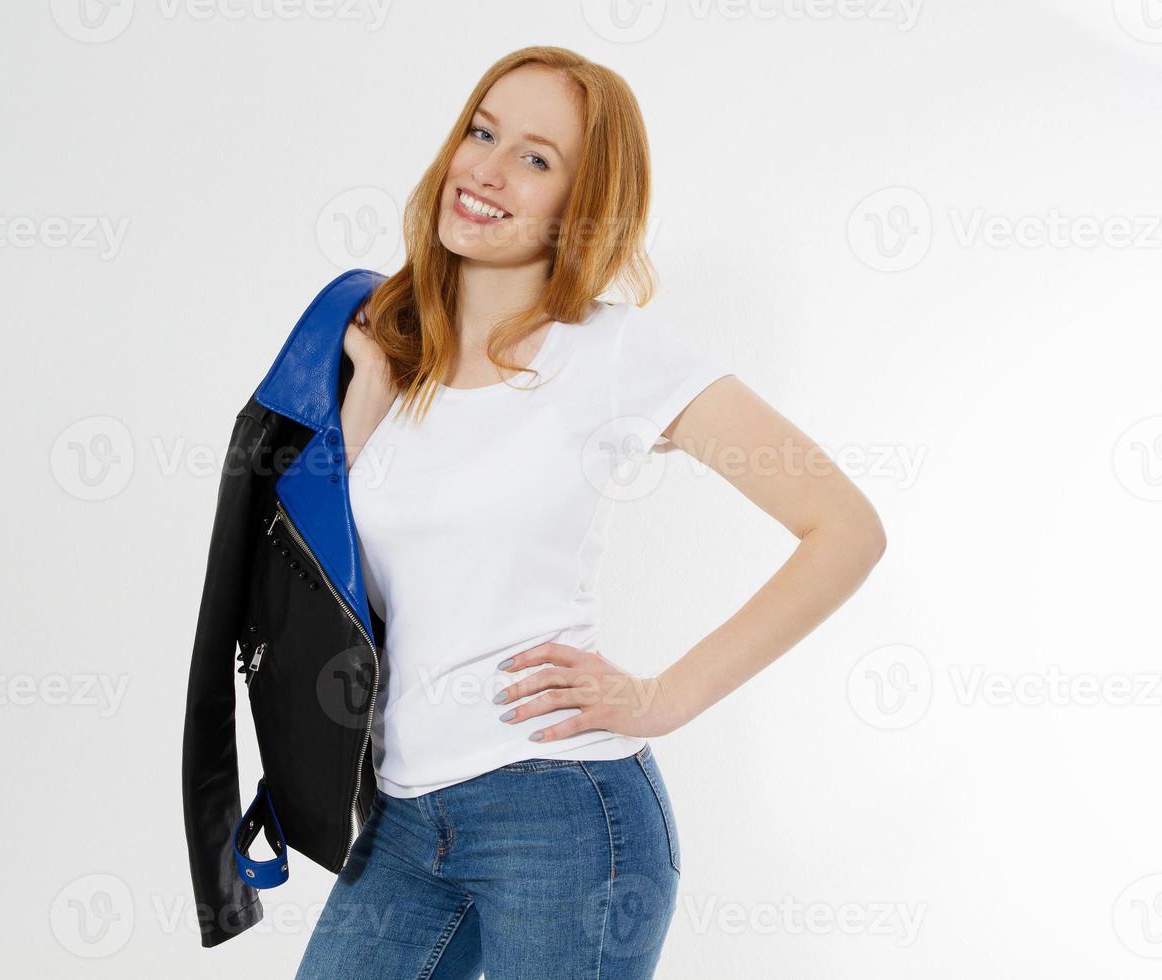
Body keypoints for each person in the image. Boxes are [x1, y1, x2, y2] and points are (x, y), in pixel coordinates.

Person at [294, 45, 885, 979]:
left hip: (561, 819)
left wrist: (663, 697)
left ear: (582, 204)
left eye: (535, 158)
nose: (485, 171)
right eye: (481, 133)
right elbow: (369, 588)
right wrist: (368, 403)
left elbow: (846, 530)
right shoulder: (397, 355)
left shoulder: (610, 355)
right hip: (404, 817)